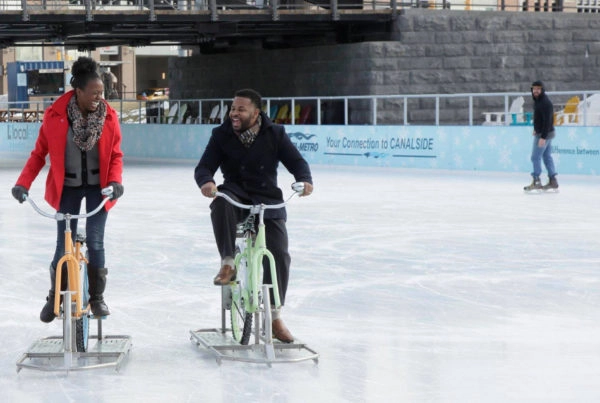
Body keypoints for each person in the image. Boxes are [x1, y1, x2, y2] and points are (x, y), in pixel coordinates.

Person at [194, 89, 313, 343]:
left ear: (256, 113)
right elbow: (204, 166)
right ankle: (228, 262)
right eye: (232, 109)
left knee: (279, 254)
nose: (234, 114)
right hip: (236, 194)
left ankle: (275, 317)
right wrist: (207, 182)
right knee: (220, 204)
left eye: (241, 110)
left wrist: (304, 180)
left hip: (267, 197)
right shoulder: (221, 135)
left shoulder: (275, 134)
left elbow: (297, 162)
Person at [11, 57, 124, 323]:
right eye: (94, 93)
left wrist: (115, 182)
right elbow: (39, 154)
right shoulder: (55, 116)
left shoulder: (108, 116)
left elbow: (116, 154)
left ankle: (96, 298)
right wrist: (22, 183)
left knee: (95, 242)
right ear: (79, 91)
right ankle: (54, 297)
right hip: (68, 188)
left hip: (100, 189)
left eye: (102, 93)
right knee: (63, 246)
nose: (99, 97)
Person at [524, 80, 558, 191]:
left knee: (535, 157)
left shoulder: (545, 103)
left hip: (545, 133)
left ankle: (536, 180)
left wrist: (543, 137)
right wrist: (535, 129)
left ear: (542, 90)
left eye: (538, 89)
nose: (536, 91)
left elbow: (548, 121)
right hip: (545, 132)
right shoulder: (538, 101)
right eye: (534, 89)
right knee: (547, 156)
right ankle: (553, 180)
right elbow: (539, 118)